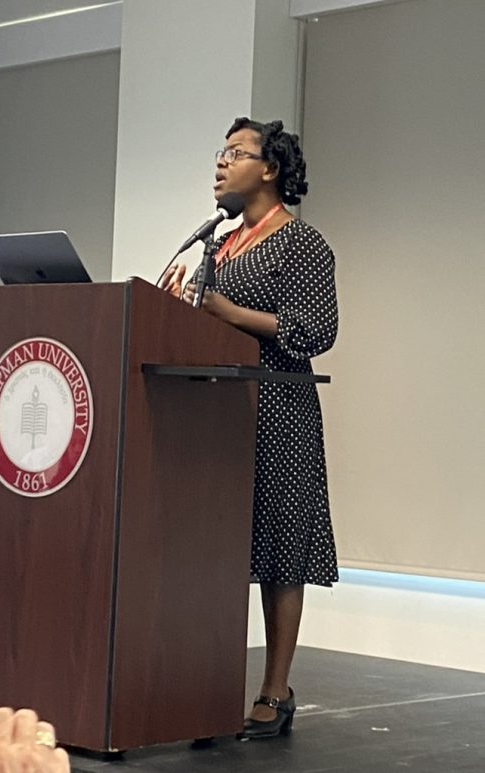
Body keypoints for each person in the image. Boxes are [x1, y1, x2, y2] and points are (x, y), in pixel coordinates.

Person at [161, 117, 339, 739]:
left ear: (269, 169)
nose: (220, 163)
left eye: (234, 153)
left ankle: (275, 689)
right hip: (217, 412)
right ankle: (203, 679)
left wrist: (228, 312)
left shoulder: (301, 243)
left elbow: (318, 331)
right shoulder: (216, 242)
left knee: (282, 551)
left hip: (279, 411)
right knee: (215, 547)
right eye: (221, 152)